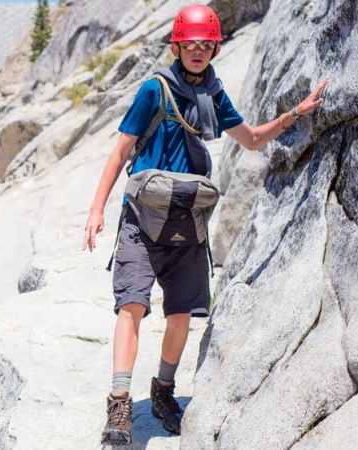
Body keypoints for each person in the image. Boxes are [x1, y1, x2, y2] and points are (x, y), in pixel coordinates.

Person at [81, 4, 328, 445]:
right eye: (190, 43)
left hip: (187, 219)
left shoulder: (214, 94)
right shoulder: (154, 90)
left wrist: (296, 114)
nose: (197, 50)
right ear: (177, 45)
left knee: (181, 314)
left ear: (214, 46)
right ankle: (120, 404)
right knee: (131, 306)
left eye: (205, 43)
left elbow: (250, 139)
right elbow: (120, 153)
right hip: (141, 215)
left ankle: (163, 391)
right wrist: (97, 209)